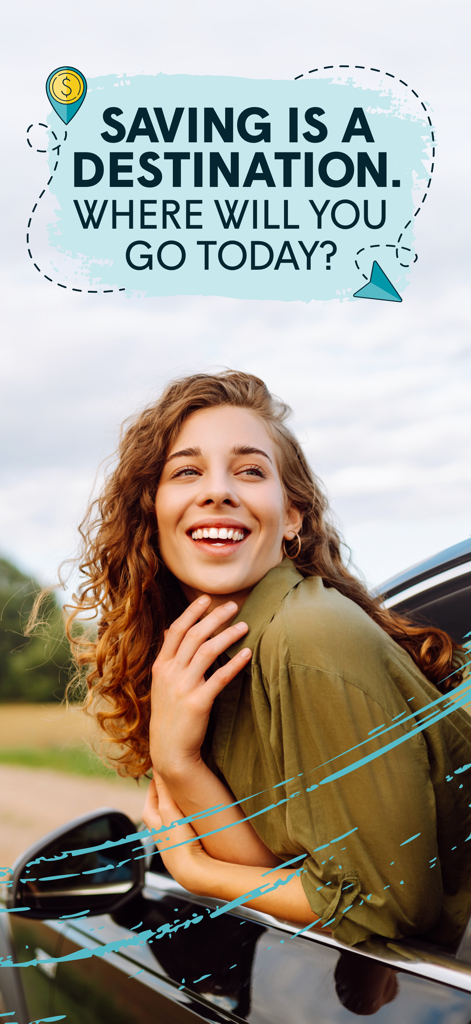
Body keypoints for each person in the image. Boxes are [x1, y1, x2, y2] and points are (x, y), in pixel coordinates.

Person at [61, 370, 471, 948]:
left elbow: (386, 908)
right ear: (150, 513)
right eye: (187, 471)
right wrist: (179, 762)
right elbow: (285, 874)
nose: (218, 490)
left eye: (250, 470)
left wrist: (199, 873)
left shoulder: (313, 636)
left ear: (293, 516)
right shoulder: (226, 656)